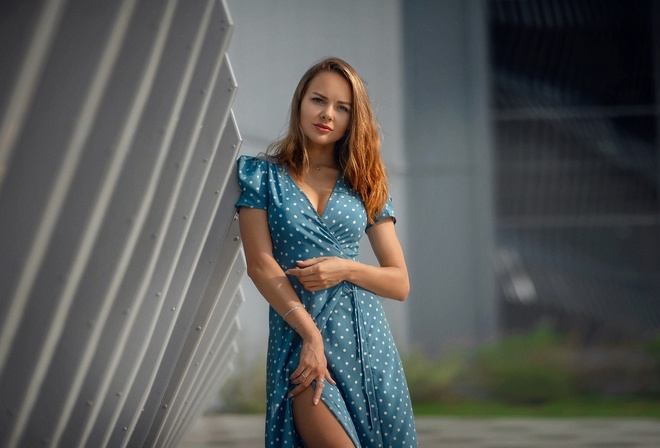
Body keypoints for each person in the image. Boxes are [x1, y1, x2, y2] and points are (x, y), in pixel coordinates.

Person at [235, 57, 418, 447]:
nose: (327, 114)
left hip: (369, 347)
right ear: (300, 101)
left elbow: (399, 282)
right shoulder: (260, 175)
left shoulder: (366, 183)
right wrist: (311, 336)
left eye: (342, 107)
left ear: (354, 118)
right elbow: (260, 264)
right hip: (302, 340)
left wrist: (345, 269)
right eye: (319, 100)